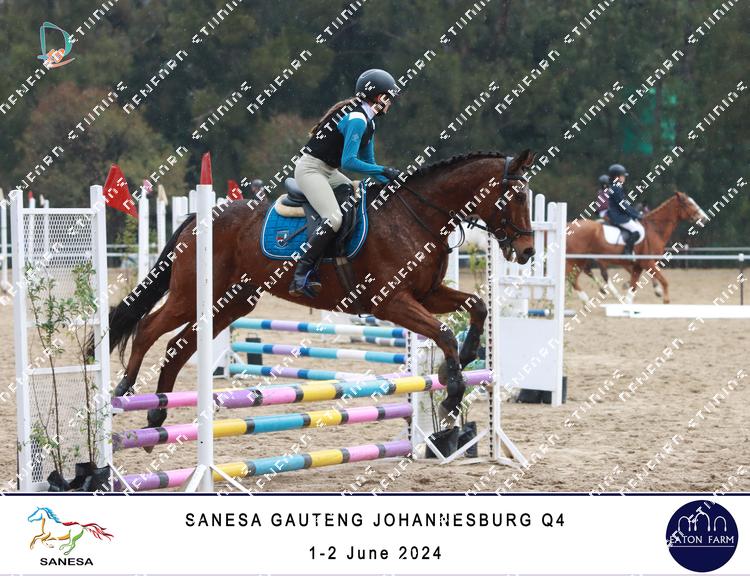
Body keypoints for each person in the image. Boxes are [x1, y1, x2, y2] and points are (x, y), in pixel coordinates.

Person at [289, 69, 402, 298]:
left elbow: (369, 164)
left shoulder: (369, 122)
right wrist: (384, 171)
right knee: (333, 218)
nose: (391, 102)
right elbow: (349, 162)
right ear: (379, 97)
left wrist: (397, 184)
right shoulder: (357, 119)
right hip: (310, 170)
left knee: (358, 198)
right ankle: (301, 274)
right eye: (389, 97)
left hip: (329, 171)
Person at [606, 163, 644, 255]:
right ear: (617, 177)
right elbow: (623, 206)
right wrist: (636, 215)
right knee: (637, 231)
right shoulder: (616, 188)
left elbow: (625, 205)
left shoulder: (616, 187)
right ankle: (627, 251)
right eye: (623, 176)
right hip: (618, 217)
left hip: (617, 214)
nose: (624, 178)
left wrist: (635, 213)